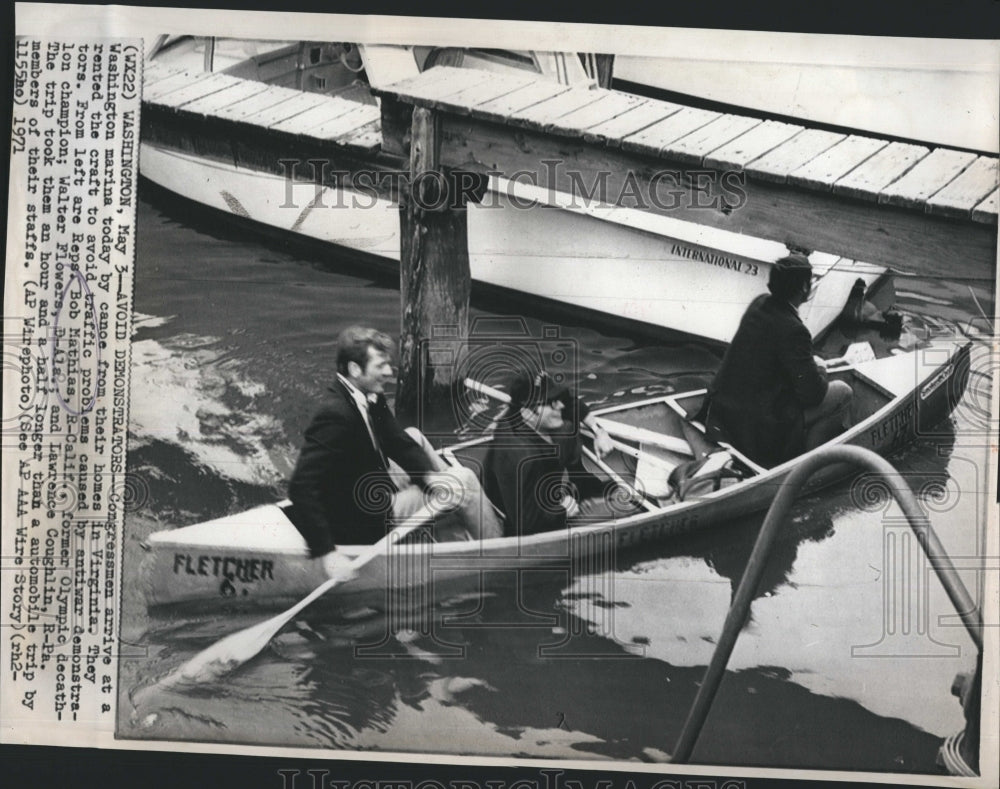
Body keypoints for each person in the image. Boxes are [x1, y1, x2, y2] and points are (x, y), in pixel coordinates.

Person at [288, 326, 501, 578]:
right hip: (364, 519)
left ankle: (459, 502)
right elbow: (301, 486)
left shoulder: (367, 395)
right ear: (355, 369)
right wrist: (327, 553)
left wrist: (427, 477)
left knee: (414, 437)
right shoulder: (334, 415)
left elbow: (398, 441)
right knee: (464, 481)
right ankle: (498, 551)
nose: (389, 373)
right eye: (380, 366)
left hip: (369, 486)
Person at [704, 253, 853, 468]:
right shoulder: (795, 330)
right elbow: (813, 395)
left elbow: (769, 355)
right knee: (842, 392)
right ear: (803, 288)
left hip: (723, 413)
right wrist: (820, 369)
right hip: (758, 428)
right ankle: (806, 466)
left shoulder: (759, 303)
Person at [483, 370, 631, 537]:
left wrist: (599, 432)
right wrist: (561, 511)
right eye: (552, 402)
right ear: (527, 411)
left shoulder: (523, 413)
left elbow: (571, 402)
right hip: (521, 519)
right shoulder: (522, 455)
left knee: (566, 428)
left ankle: (581, 483)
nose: (560, 405)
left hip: (544, 490)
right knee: (629, 509)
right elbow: (525, 523)